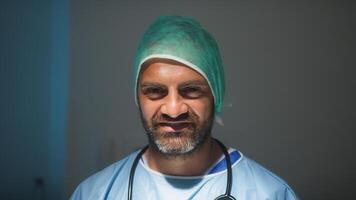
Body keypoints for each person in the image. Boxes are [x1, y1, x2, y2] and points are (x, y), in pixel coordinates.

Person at [70, 15, 298, 200]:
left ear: (215, 95)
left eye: (191, 90)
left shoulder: (270, 194)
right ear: (137, 96)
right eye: (155, 92)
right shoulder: (94, 193)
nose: (173, 109)